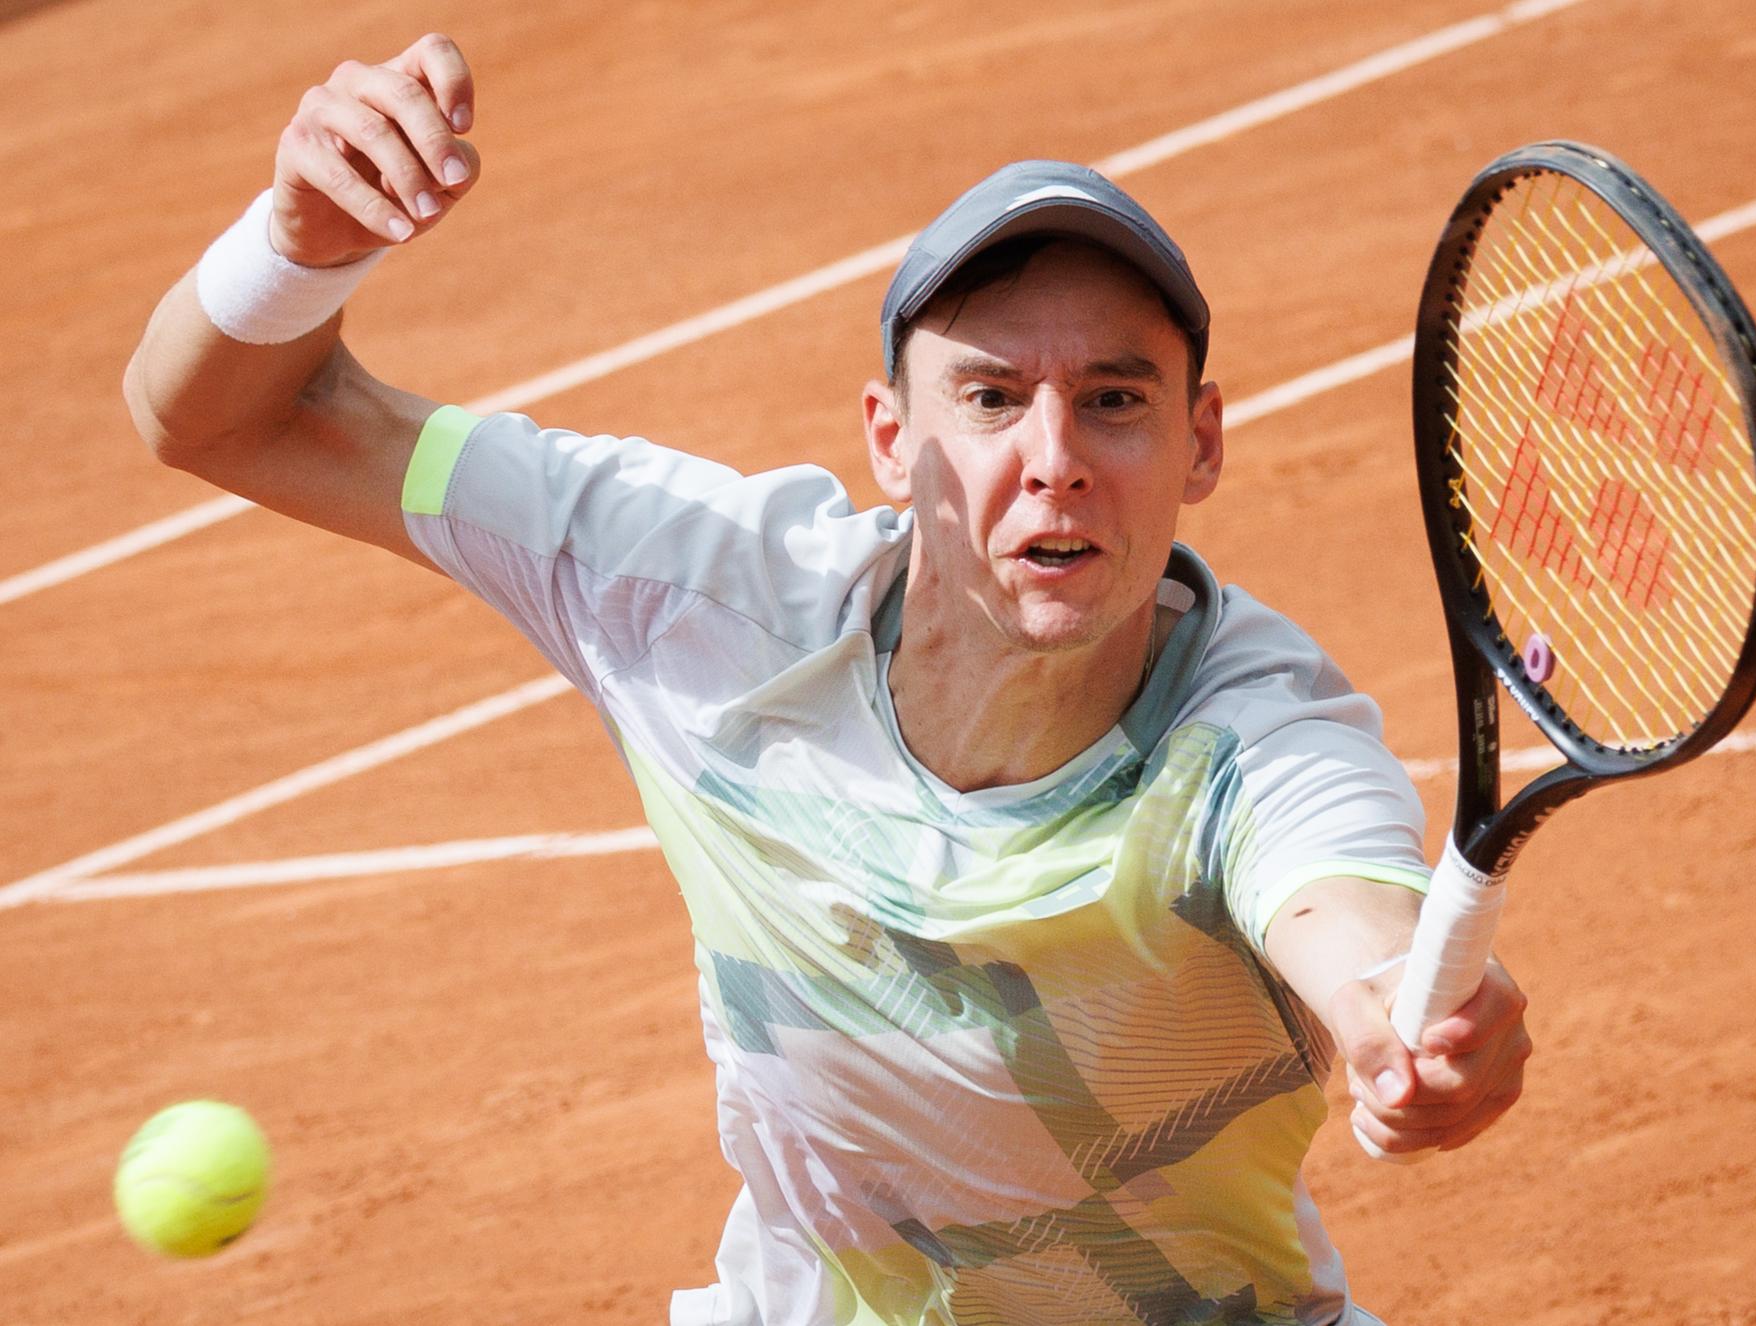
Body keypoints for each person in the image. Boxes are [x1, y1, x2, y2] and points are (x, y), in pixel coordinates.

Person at [125, 34, 1530, 1326]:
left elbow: (1347, 922)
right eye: (988, 397)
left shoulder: (1256, 738)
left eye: (1115, 397)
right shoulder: (688, 587)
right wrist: (298, 245)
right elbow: (225, 414)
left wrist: (1408, 1023)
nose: (1055, 454)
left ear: (1200, 442)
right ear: (889, 438)